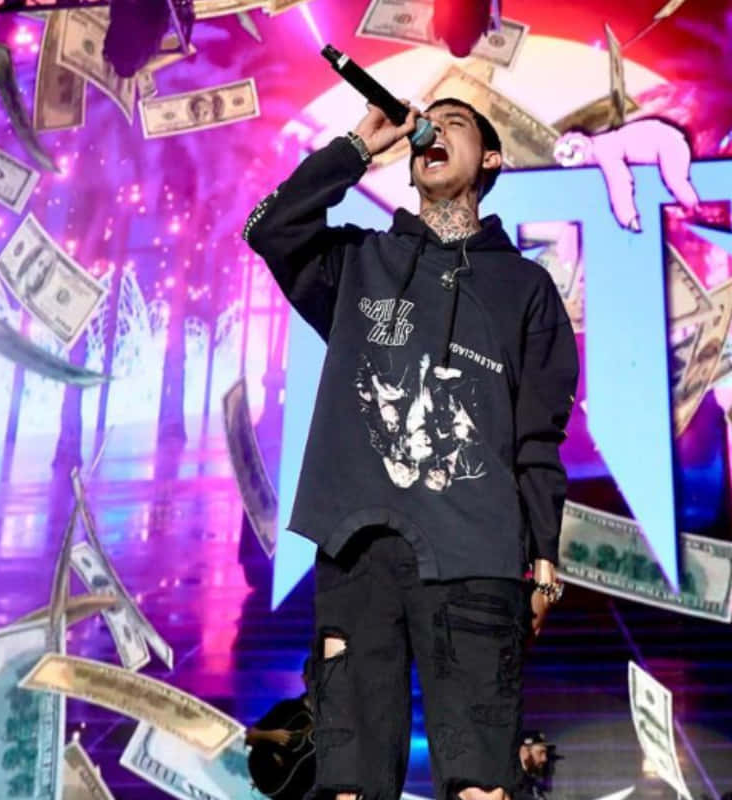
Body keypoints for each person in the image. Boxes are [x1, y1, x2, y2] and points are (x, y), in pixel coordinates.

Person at [243, 95, 578, 800]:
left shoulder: (526, 287)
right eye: (430, 121)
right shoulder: (360, 262)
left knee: (482, 785)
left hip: (476, 555)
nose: (435, 129)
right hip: (358, 551)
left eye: (457, 123)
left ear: (491, 158)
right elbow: (271, 228)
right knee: (349, 784)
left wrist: (543, 559)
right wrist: (357, 148)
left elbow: (539, 436)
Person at [246, 658, 316, 798]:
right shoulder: (287, 708)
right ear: (305, 679)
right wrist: (271, 735)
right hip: (263, 782)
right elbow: (250, 737)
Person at [514, 730, 554, 800]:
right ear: (525, 751)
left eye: (545, 753)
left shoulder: (533, 784)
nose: (544, 759)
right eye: (540, 753)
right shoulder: (512, 784)